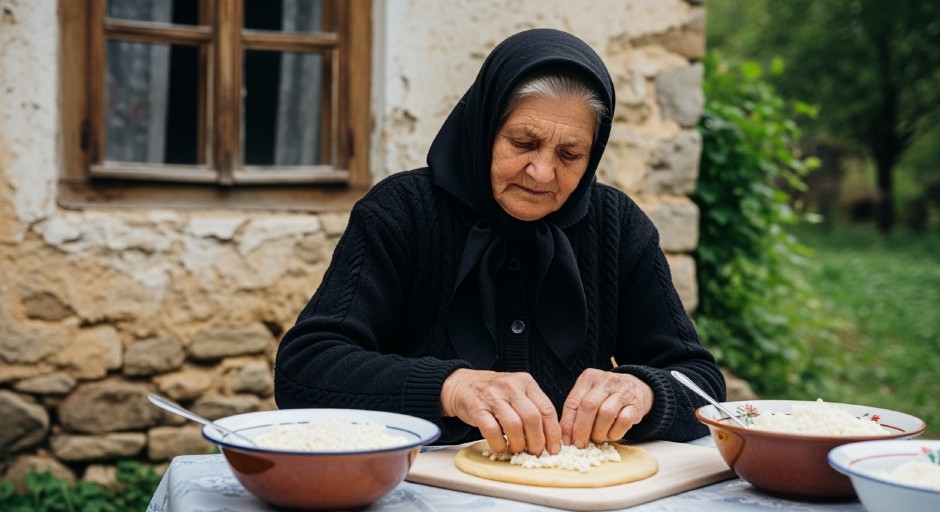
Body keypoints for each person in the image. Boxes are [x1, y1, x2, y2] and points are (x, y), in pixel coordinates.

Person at [274, 28, 725, 456]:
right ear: (484, 129)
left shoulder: (618, 225)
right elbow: (306, 370)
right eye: (523, 142)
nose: (543, 172)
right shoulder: (401, 212)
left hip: (574, 492)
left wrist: (644, 390)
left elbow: (703, 384)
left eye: (570, 154)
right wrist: (452, 388)